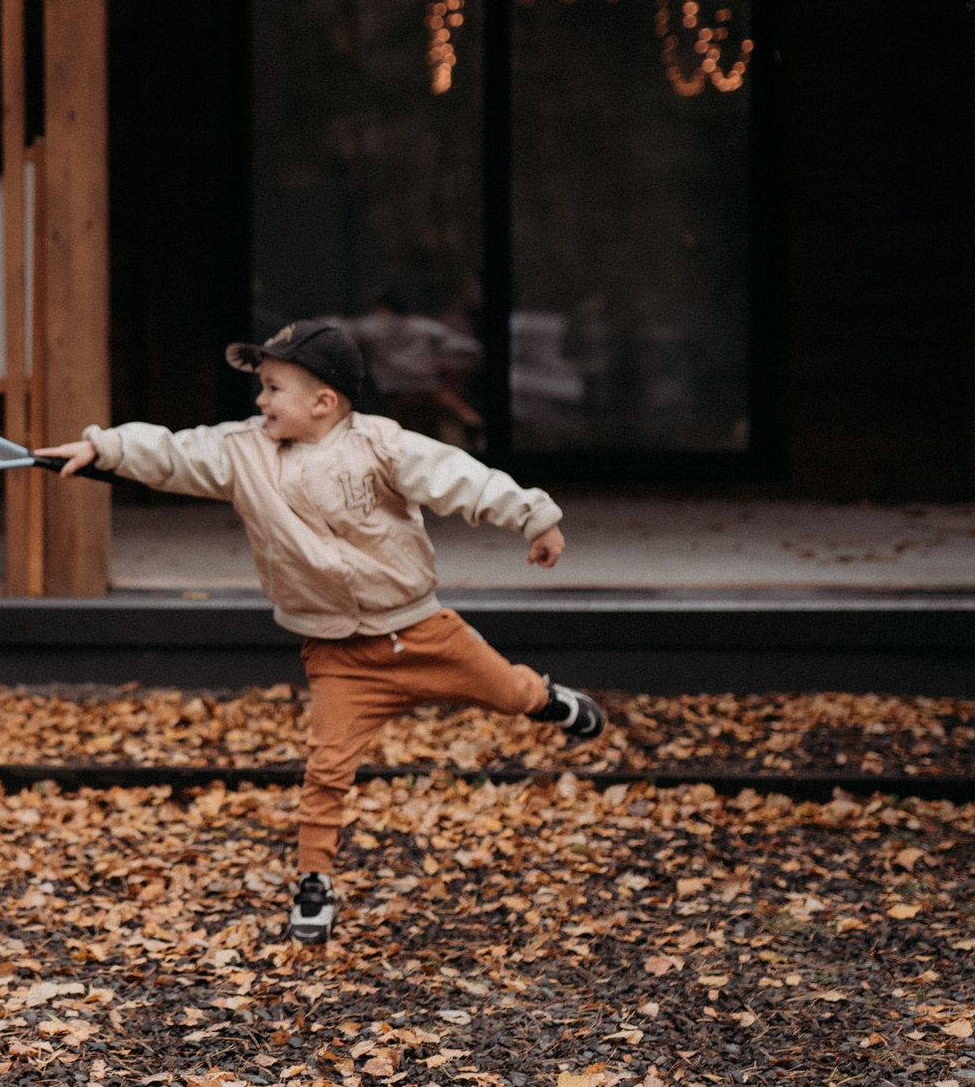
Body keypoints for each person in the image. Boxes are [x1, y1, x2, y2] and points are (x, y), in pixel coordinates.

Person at [39, 319, 603, 948]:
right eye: (262, 388)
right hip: (341, 653)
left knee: (507, 692)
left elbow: (460, 477)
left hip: (420, 629)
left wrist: (535, 518)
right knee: (326, 768)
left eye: (273, 388)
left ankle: (547, 699)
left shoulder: (382, 446)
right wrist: (104, 449)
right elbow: (174, 452)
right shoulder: (243, 453)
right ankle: (315, 881)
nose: (261, 401)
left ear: (323, 402)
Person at [343, 292, 484, 445]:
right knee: (462, 416)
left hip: (396, 394)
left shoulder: (373, 326)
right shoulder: (422, 326)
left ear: (383, 307)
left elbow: (339, 329)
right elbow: (465, 346)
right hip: (425, 389)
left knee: (397, 433)